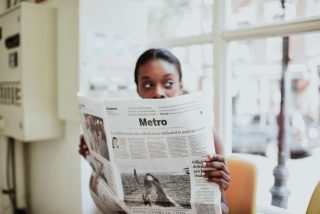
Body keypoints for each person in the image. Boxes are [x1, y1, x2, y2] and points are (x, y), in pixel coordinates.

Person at [79, 48, 231, 213]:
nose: (158, 93)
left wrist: (219, 187)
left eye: (168, 84)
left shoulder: (210, 137)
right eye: (148, 85)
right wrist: (92, 157)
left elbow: (224, 210)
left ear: (180, 86)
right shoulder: (118, 135)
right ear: (138, 90)